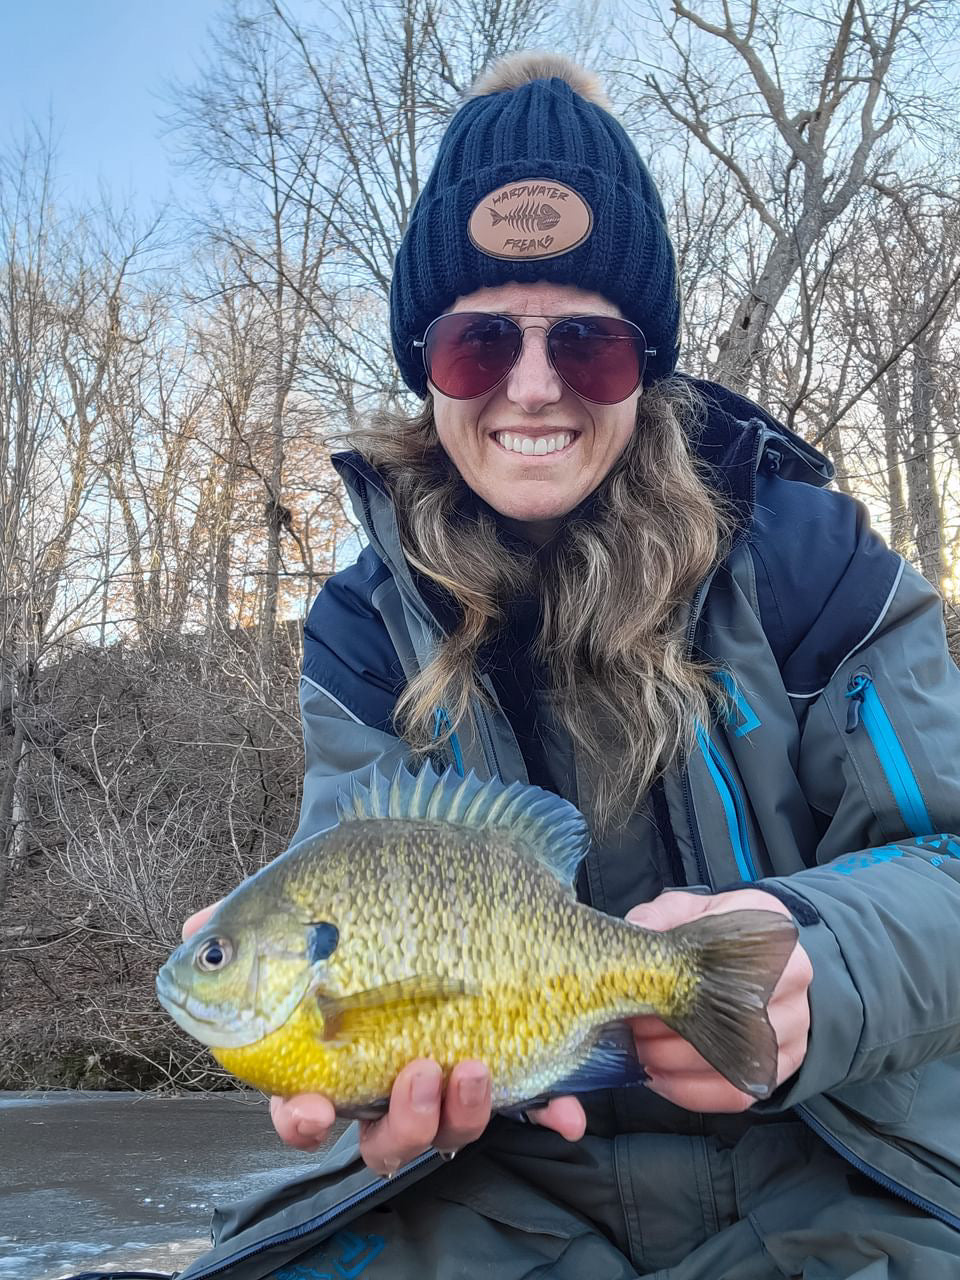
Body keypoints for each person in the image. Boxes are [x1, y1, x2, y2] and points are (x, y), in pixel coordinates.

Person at [181, 51, 960, 1280]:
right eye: (479, 342)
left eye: (587, 344)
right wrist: (356, 1080)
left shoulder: (818, 562)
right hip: (502, 1179)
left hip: (840, 1153)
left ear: (644, 362)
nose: (532, 387)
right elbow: (352, 900)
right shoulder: (357, 629)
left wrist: (824, 957)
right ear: (424, 361)